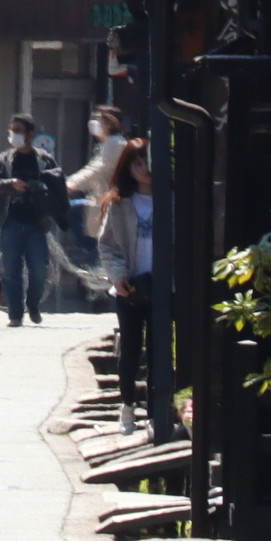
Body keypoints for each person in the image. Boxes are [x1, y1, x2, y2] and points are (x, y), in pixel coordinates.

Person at [97, 138, 155, 426]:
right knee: (131, 348)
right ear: (128, 169)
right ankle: (128, 404)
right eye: (137, 164)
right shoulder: (119, 204)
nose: (144, 169)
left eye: (147, 162)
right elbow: (107, 245)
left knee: (159, 348)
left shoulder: (172, 199)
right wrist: (118, 276)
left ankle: (157, 411)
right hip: (129, 286)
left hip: (162, 285)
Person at [0, 114, 57, 326]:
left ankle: (33, 303)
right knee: (11, 270)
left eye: (19, 131)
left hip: (37, 222)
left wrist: (39, 188)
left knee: (39, 269)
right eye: (12, 130)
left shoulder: (45, 160)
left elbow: (56, 186)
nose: (14, 135)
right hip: (10, 221)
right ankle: (15, 313)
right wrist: (10, 184)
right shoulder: (2, 160)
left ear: (30, 134)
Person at [66, 104, 129, 232]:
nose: (94, 123)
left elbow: (97, 169)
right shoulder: (109, 143)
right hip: (103, 200)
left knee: (70, 210)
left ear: (111, 123)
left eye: (99, 119)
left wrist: (73, 183)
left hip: (109, 201)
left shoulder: (115, 143)